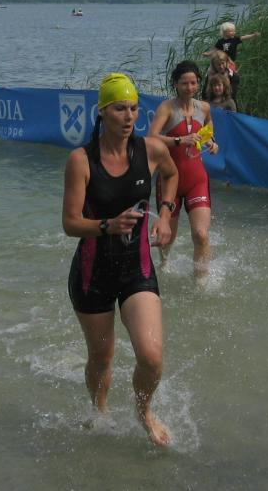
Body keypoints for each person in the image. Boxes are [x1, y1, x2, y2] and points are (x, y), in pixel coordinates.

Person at [62, 73, 179, 447]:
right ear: (102, 112)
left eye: (133, 109)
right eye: (119, 109)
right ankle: (99, 410)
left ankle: (144, 412)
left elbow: (172, 175)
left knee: (151, 357)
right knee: (101, 357)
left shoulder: (151, 150)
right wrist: (108, 225)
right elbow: (70, 223)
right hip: (92, 273)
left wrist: (165, 213)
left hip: (136, 268)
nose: (129, 117)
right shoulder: (81, 160)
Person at [149, 61, 220, 277]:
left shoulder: (204, 108)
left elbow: (208, 131)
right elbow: (151, 138)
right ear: (175, 84)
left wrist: (211, 143)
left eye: (193, 83)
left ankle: (201, 282)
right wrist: (180, 140)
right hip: (169, 180)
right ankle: (164, 264)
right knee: (167, 237)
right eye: (184, 83)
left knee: (201, 234)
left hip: (196, 180)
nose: (189, 88)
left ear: (198, 83)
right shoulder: (167, 108)